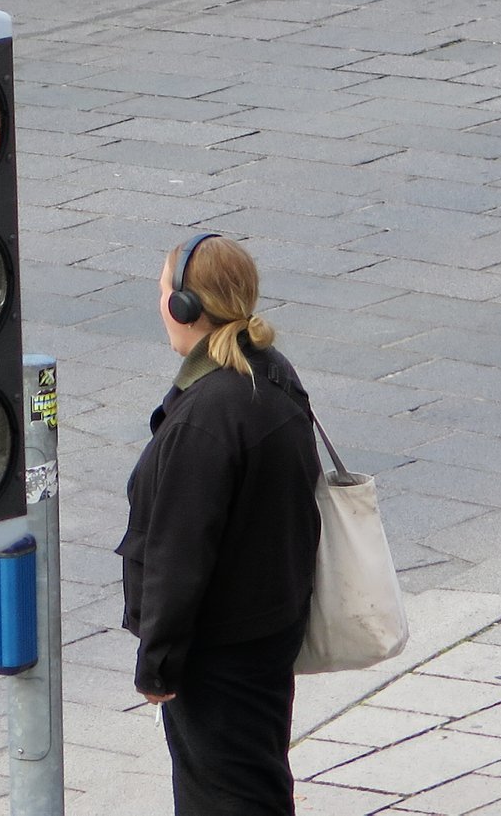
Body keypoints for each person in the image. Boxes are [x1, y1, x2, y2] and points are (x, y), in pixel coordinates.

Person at [116, 233, 321, 816]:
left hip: (219, 652)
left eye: (163, 291)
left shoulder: (208, 415)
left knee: (225, 798)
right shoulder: (270, 374)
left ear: (186, 307)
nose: (160, 303)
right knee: (253, 785)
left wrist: (157, 664)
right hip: (266, 629)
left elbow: (181, 555)